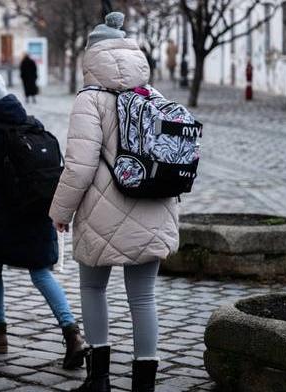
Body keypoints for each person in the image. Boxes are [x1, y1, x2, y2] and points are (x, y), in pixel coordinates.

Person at [49, 12, 179, 392]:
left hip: (101, 212)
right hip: (154, 203)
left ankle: (99, 379)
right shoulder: (153, 95)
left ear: (92, 55)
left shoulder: (90, 100)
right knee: (143, 297)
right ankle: (144, 384)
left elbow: (78, 166)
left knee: (93, 289)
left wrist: (60, 212)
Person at [0, 70, 84, 370]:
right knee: (41, 273)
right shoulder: (33, 125)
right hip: (36, 214)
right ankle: (73, 335)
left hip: (2, 218)